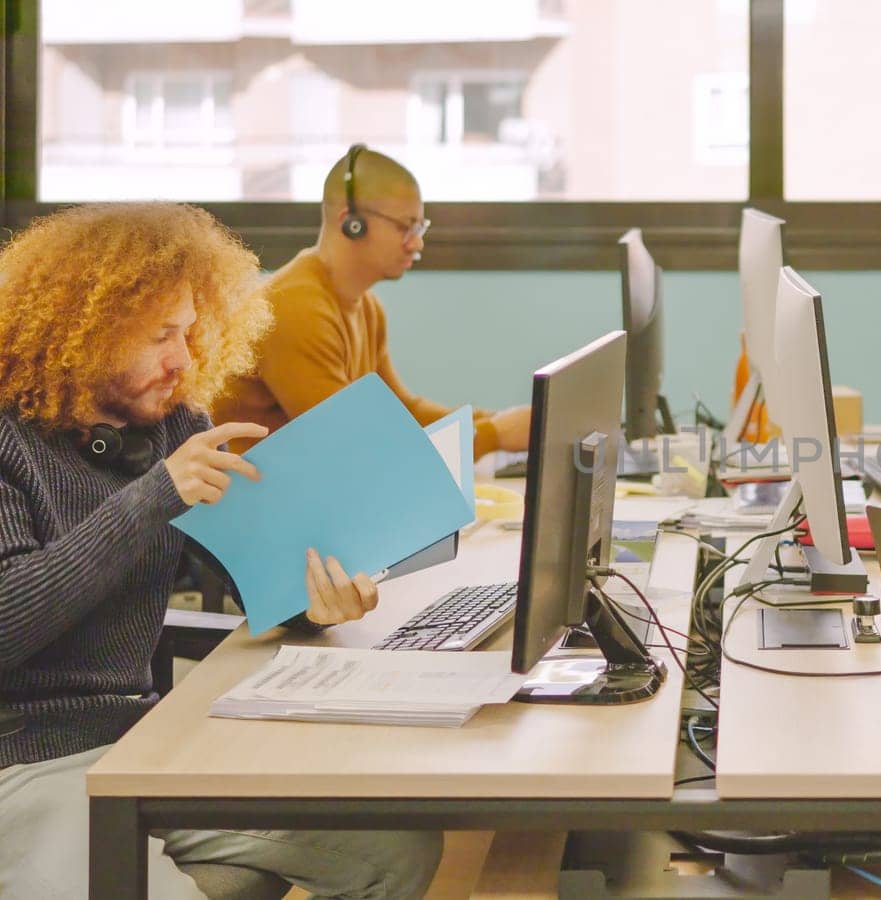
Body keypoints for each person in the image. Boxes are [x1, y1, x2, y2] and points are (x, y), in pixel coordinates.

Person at [0, 203, 442, 898]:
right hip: (18, 761)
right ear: (76, 334)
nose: (182, 360)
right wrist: (152, 497)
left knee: (390, 844)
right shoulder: (10, 440)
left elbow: (243, 577)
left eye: (190, 331)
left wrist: (310, 604)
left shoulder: (176, 425)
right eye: (158, 337)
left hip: (140, 740)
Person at [212, 144, 531, 457]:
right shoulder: (295, 308)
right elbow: (354, 443)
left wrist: (496, 422)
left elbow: (400, 410)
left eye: (420, 227)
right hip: (255, 499)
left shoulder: (366, 307)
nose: (416, 242)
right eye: (405, 227)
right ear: (351, 223)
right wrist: (494, 436)